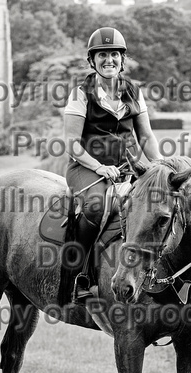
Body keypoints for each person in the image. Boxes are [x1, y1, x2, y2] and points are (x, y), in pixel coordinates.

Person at [63, 27, 163, 300]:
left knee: (152, 208)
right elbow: (71, 143)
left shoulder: (133, 91)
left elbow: (145, 136)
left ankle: (151, 274)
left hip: (127, 169)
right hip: (87, 169)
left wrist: (161, 165)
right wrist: (98, 166)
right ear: (92, 61)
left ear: (122, 59)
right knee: (96, 208)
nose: (109, 60)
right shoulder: (80, 94)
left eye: (114, 55)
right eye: (102, 55)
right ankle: (78, 276)